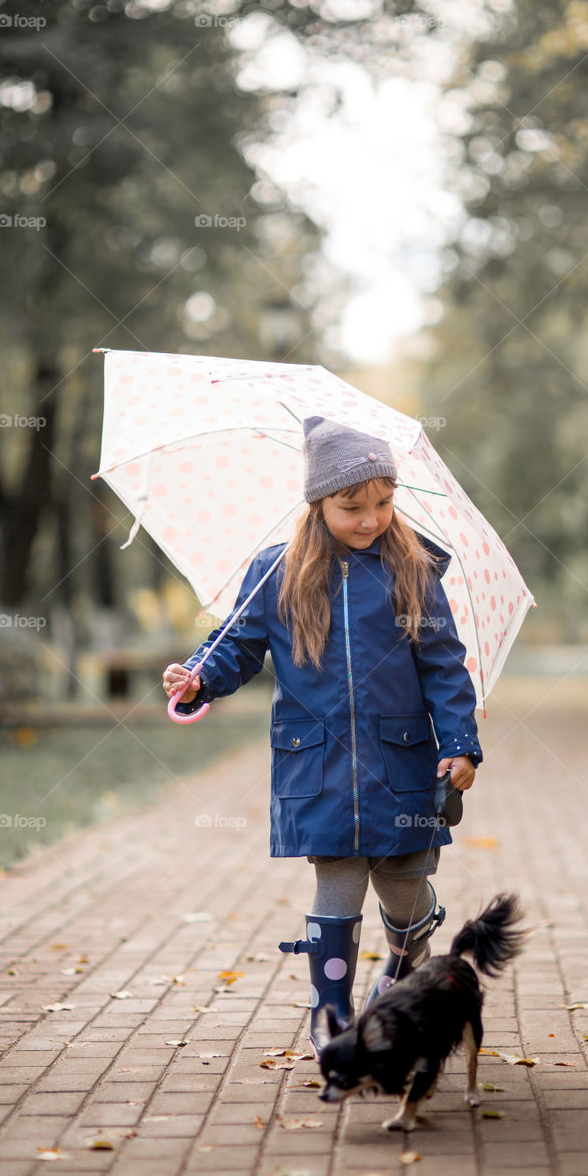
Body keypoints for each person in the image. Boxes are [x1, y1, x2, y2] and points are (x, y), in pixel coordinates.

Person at [162, 415, 483, 1056]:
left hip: (402, 762)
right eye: (352, 507)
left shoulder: (412, 572)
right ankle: (331, 1012)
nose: (370, 519)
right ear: (318, 503)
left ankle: (400, 967)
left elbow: (444, 667)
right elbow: (237, 649)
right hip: (320, 767)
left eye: (385, 504)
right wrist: (199, 676)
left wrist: (459, 744)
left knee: (403, 884)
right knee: (336, 882)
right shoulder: (275, 572)